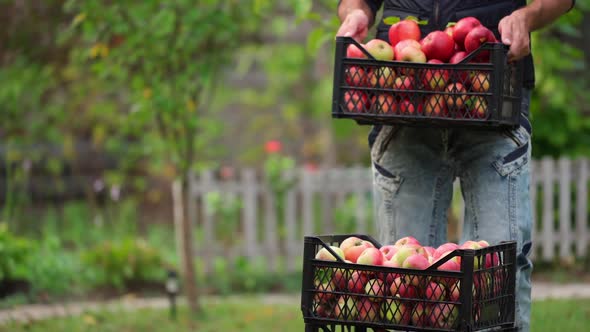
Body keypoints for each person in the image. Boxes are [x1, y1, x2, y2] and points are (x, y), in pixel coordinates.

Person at [335, 1, 575, 331]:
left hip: (493, 91)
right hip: (402, 99)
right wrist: (355, 13)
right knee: (403, 286)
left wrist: (525, 17)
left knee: (497, 279)